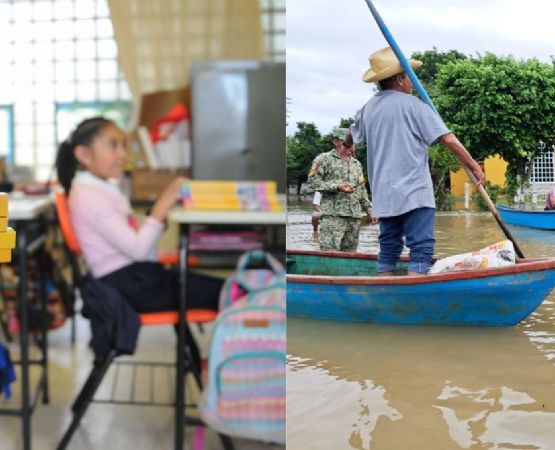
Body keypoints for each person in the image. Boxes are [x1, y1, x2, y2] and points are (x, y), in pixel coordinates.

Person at [55, 116, 223, 366]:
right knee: (233, 291)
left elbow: (134, 243)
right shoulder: (90, 196)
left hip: (134, 278)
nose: (123, 154)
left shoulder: (97, 189)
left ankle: (215, 363)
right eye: (113, 145)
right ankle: (226, 365)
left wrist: (159, 214)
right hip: (130, 284)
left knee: (225, 288)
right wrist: (164, 202)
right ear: (83, 154)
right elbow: (137, 249)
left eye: (124, 145)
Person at [345, 46, 485, 276]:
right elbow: (448, 139)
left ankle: (386, 292)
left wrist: (349, 143)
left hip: (384, 196)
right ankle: (415, 289)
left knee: (388, 250)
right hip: (415, 193)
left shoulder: (366, 110)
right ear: (401, 79)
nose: (412, 82)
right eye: (410, 77)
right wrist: (473, 166)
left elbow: (351, 134)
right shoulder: (416, 107)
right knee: (421, 250)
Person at [307, 130, 373, 252]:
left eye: (352, 142)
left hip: (354, 217)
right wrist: (336, 187)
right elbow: (312, 183)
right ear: (335, 141)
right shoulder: (323, 159)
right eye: (345, 142)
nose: (350, 145)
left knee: (350, 257)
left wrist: (370, 210)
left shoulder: (356, 164)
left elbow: (361, 189)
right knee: (329, 254)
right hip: (333, 217)